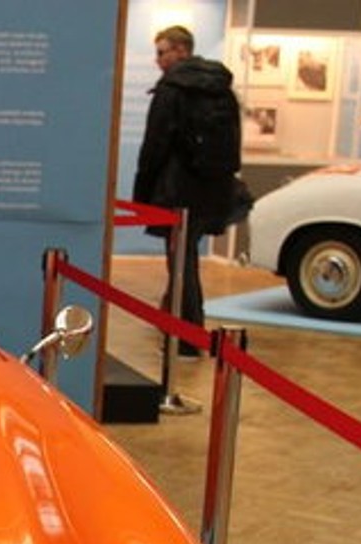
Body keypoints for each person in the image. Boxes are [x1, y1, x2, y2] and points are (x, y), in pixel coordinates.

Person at [131, 25, 241, 356]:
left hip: (177, 191)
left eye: (161, 52)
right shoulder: (221, 88)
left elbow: (155, 145)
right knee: (186, 259)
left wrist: (142, 195)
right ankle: (175, 320)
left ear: (181, 50)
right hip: (212, 189)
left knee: (181, 263)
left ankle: (188, 337)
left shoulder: (172, 89)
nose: (158, 60)